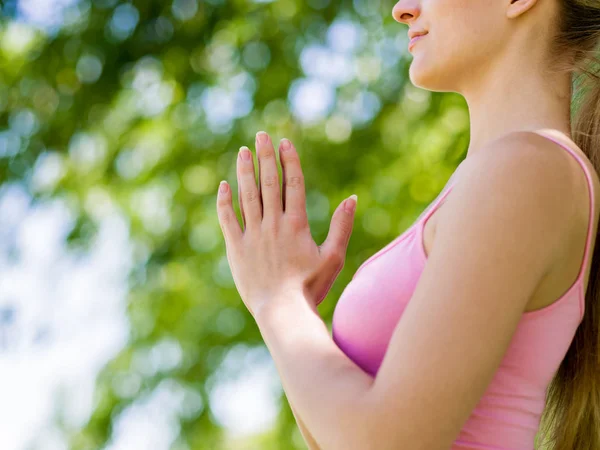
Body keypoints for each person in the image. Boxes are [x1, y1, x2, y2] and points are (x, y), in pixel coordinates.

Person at [331, 1, 600, 448]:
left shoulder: (527, 169)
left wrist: (277, 302)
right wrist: (288, 299)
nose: (402, 9)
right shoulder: (496, 178)